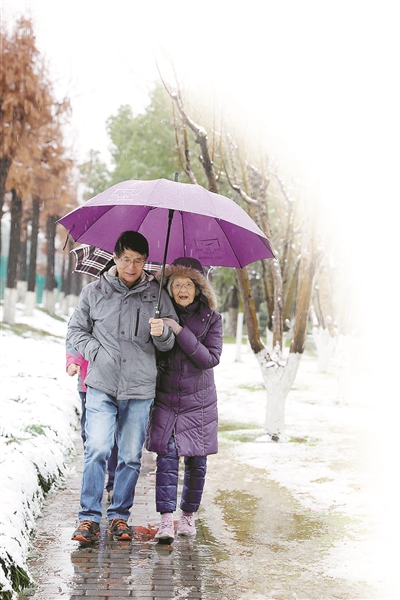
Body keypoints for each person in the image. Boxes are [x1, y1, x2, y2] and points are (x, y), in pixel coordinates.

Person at [67, 231, 178, 543]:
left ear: (146, 261)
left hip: (140, 388)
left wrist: (162, 333)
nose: (132, 267)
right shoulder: (94, 292)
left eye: (138, 261)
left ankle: (119, 516)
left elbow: (169, 343)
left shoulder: (157, 296)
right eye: (126, 259)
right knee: (97, 448)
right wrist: (96, 352)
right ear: (115, 258)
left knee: (130, 456)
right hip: (102, 383)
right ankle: (88, 518)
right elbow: (76, 329)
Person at [145, 257, 223, 543]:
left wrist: (179, 330)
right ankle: (166, 521)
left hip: (199, 401)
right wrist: (158, 332)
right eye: (177, 284)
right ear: (169, 287)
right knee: (166, 457)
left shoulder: (212, 319)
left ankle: (188, 516)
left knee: (196, 461)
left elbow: (209, 358)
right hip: (166, 396)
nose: (182, 290)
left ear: (199, 288)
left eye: (188, 284)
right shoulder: (159, 312)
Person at [66, 339, 117, 502]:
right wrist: (73, 360)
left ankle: (114, 484)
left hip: (114, 381)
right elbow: (75, 335)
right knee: (90, 437)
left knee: (114, 437)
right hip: (87, 382)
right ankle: (93, 486)